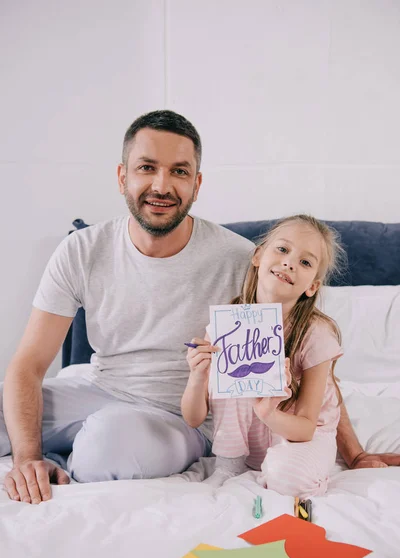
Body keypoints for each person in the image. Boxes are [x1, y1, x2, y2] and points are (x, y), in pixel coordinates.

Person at [1, 111, 398, 505]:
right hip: (100, 387)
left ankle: (75, 449)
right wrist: (28, 457)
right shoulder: (82, 249)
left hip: (179, 417)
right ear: (123, 176)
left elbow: (313, 363)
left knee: (103, 448)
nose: (161, 185)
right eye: (146, 167)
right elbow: (28, 365)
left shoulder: (245, 261)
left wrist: (356, 453)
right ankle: (58, 451)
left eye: (179, 171)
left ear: (196, 184)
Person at [182, 215, 400, 496]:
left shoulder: (316, 335)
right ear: (258, 256)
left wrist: (269, 412)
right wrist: (197, 376)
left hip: (298, 436)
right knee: (237, 366)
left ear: (312, 286)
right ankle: (229, 466)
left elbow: (307, 429)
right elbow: (193, 418)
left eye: (305, 262)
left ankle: (280, 472)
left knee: (289, 478)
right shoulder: (227, 325)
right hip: (245, 449)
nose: (289, 263)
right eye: (282, 250)